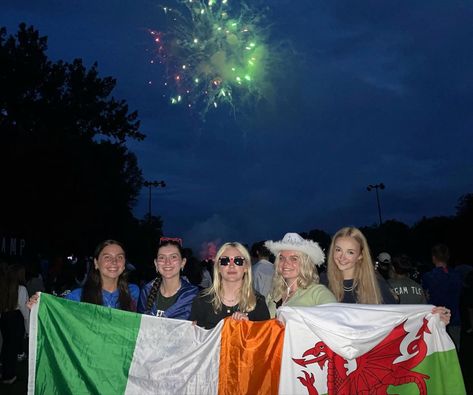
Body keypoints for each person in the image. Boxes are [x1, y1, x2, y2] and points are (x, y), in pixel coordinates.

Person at [28, 240, 139, 311]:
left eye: (119, 257)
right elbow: (58, 322)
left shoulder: (134, 293)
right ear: (96, 263)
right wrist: (38, 307)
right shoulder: (77, 297)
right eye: (107, 257)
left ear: (124, 264)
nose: (114, 262)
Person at [189, 242, 270, 329]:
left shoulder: (257, 302)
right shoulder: (202, 300)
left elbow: (265, 339)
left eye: (238, 261)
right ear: (218, 267)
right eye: (225, 261)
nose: (231, 265)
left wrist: (249, 328)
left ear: (246, 267)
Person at [265, 233, 336, 318]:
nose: (286, 263)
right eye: (282, 258)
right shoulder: (273, 293)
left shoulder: (318, 293)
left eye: (294, 259)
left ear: (305, 263)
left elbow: (335, 320)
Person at [322, 227, 398, 304]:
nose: (342, 257)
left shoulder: (374, 283)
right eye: (338, 250)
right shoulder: (324, 281)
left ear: (360, 255)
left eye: (350, 252)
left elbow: (394, 312)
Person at [138, 237, 199, 319]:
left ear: (183, 263)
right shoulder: (146, 291)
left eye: (173, 257)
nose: (167, 262)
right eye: (162, 257)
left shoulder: (193, 295)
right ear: (156, 264)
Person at [422, 244, 462, 350]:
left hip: (436, 319)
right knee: (453, 351)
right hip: (454, 317)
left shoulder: (428, 276)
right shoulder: (457, 275)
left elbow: (425, 296)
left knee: (437, 351)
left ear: (433, 258)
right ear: (447, 257)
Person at [0, 262, 30, 384]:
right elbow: (25, 311)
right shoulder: (21, 289)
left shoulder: (3, 288)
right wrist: (28, 329)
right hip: (15, 319)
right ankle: (9, 375)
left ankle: (5, 372)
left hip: (5, 318)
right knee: (11, 348)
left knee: (7, 345)